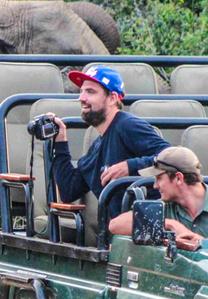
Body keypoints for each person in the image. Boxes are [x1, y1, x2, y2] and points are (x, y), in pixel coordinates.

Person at [51, 66, 170, 220]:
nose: (81, 98)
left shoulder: (127, 125)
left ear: (112, 98)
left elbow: (170, 157)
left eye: (90, 92)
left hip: (150, 227)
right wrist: (60, 141)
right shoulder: (96, 148)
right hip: (117, 235)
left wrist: (129, 166)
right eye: (82, 91)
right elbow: (68, 191)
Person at [108, 146, 208, 250]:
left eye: (159, 178)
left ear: (179, 178)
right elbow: (114, 226)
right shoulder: (163, 207)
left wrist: (205, 244)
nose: (155, 185)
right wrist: (170, 224)